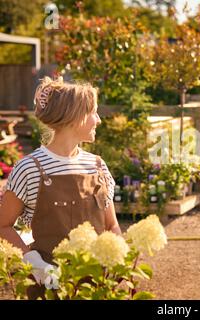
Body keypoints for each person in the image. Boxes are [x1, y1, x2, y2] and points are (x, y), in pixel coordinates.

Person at [0, 77, 121, 297]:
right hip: (48, 285)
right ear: (75, 117)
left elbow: (111, 225)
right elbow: (3, 225)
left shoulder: (97, 166)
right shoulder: (29, 168)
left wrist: (117, 262)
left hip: (95, 283)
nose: (98, 120)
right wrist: (35, 264)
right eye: (93, 112)